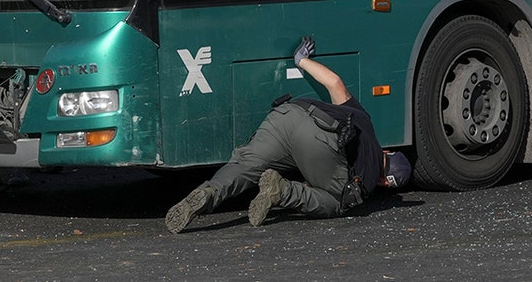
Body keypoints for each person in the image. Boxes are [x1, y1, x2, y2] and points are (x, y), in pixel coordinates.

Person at [165, 36, 413, 234]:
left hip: (289, 113)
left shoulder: (364, 120)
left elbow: (335, 83)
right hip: (321, 139)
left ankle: (208, 193)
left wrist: (301, 59)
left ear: (387, 152)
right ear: (385, 182)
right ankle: (281, 191)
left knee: (245, 164)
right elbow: (338, 186)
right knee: (337, 201)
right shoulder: (369, 181)